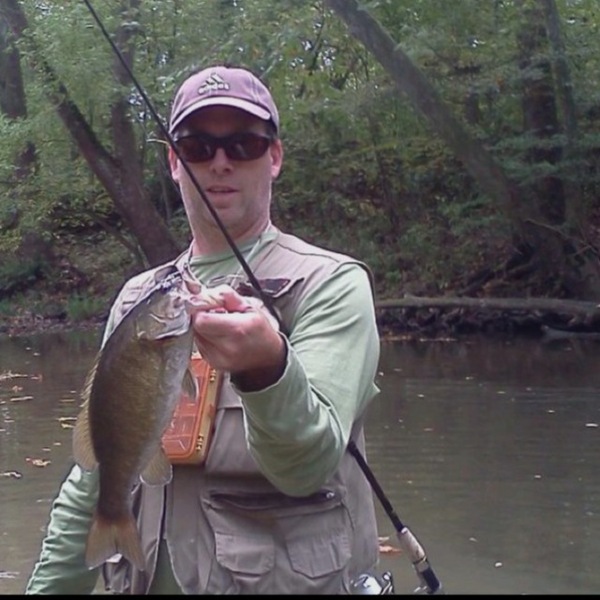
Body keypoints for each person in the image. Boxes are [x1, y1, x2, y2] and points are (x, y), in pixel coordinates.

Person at [25, 64, 382, 595]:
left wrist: (268, 369)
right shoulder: (139, 299)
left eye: (244, 144)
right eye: (196, 147)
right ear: (175, 163)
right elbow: (94, 479)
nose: (220, 162)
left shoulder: (330, 285)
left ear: (274, 157)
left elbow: (306, 466)